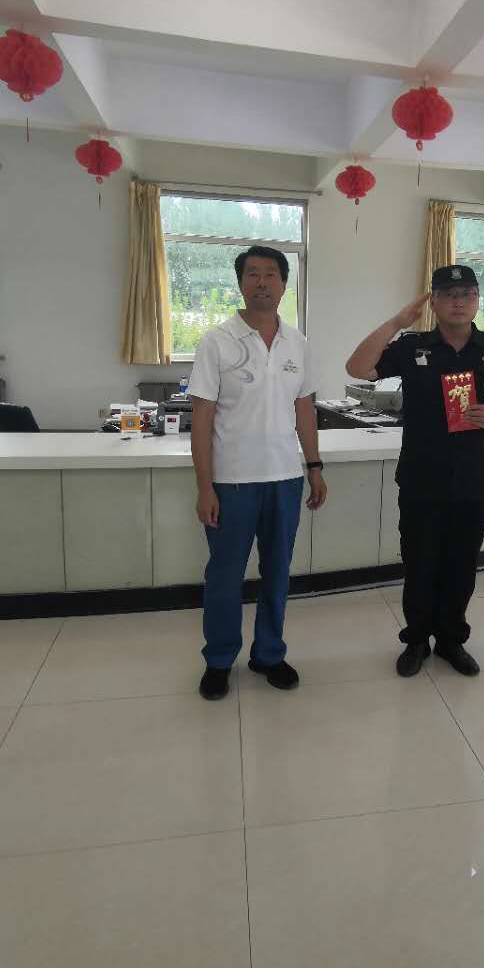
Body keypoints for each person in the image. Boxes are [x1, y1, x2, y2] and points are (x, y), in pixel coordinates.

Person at [345, 265, 484, 678]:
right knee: (420, 563)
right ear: (434, 302)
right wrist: (397, 322)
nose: (458, 301)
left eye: (466, 294)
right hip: (421, 479)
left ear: (477, 300)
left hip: (475, 480)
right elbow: (357, 368)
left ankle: (450, 640)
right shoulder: (414, 346)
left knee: (461, 564)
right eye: (448, 294)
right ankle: (416, 640)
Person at [189, 246, 327, 700]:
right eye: (253, 274)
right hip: (231, 482)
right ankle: (218, 660)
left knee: (277, 573)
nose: (262, 282)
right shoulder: (217, 341)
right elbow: (202, 418)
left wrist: (314, 467)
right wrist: (205, 486)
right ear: (241, 282)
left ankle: (268, 653)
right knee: (225, 576)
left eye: (271, 274)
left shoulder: (298, 343)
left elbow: (304, 409)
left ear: (284, 284)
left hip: (285, 478)